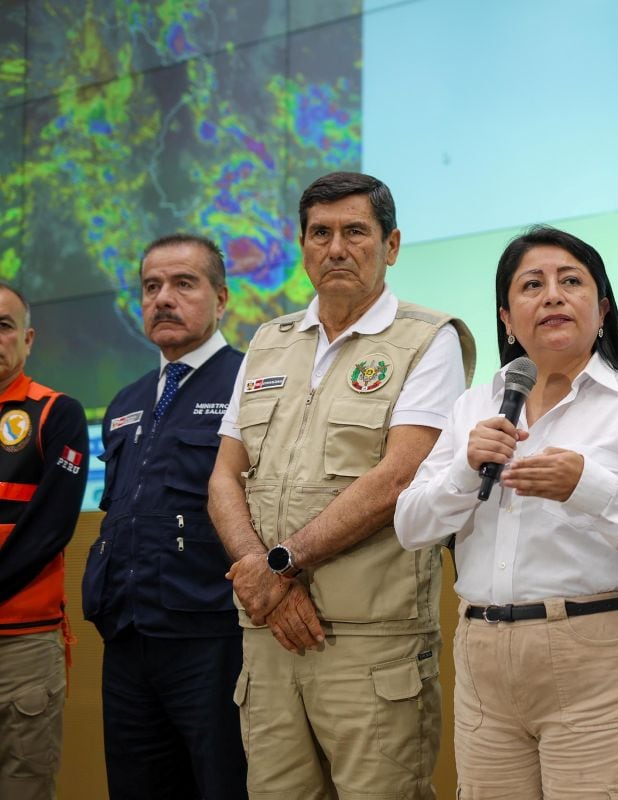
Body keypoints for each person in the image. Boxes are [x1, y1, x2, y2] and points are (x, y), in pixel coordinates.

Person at [394, 225, 618, 798]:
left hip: (598, 652)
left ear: (602, 309)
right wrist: (464, 467)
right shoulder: (472, 408)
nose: (552, 296)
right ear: (507, 319)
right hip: (483, 654)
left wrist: (587, 486)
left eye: (571, 282)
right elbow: (411, 526)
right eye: (531, 285)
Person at [208, 171, 474, 800]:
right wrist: (259, 574)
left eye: (355, 231)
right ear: (301, 246)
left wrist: (279, 565)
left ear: (392, 244)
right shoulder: (268, 343)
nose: (336, 248)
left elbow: (399, 477)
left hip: (371, 639)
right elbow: (224, 473)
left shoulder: (427, 339)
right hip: (267, 631)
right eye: (320, 233)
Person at [81, 234, 246, 799]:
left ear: (221, 297)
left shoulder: (251, 383)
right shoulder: (125, 400)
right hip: (128, 637)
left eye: (183, 284)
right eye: (151, 287)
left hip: (212, 636)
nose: (163, 299)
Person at [0, 282, 88, 800]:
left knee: (22, 789)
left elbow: (50, 528)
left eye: (4, 325)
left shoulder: (57, 412)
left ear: (28, 339)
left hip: (23, 647)